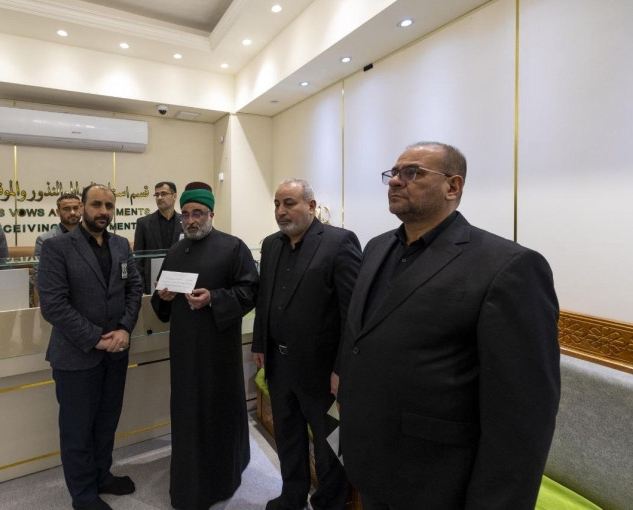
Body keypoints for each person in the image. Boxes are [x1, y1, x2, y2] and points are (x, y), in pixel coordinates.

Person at [336, 142, 560, 510]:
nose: (395, 181)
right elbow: (361, 337)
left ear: (452, 186)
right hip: (371, 463)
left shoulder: (508, 266)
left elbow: (522, 415)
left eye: (412, 172)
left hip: (437, 477)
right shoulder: (376, 248)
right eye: (393, 173)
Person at [252, 179, 361, 510]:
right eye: (277, 204)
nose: (281, 211)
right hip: (279, 364)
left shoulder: (339, 243)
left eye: (289, 203)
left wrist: (342, 368)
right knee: (288, 435)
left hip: (323, 371)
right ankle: (292, 494)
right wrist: (259, 343)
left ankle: (330, 502)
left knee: (330, 443)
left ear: (311, 207)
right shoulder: (271, 245)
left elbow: (353, 314)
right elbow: (264, 299)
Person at [151, 182, 259, 510]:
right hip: (184, 351)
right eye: (185, 214)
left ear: (211, 214)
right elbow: (162, 302)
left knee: (217, 411)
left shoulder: (233, 247)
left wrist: (214, 298)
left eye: (197, 213)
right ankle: (188, 483)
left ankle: (221, 479)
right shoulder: (175, 251)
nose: (191, 220)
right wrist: (163, 296)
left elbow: (250, 292)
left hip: (218, 352)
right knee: (187, 414)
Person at [37, 184, 143, 510]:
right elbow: (53, 305)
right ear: (82, 207)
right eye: (96, 204)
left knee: (106, 422)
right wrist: (96, 338)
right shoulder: (57, 247)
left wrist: (124, 328)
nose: (103, 211)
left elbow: (134, 288)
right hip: (76, 356)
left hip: (116, 354)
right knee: (78, 430)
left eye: (109, 206)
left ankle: (102, 476)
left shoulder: (120, 245)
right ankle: (83, 496)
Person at [133, 181, 183, 293]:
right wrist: (141, 287)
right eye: (157, 195)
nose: (159, 198)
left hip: (179, 280)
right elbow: (138, 259)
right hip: (151, 282)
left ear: (174, 196)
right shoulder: (143, 223)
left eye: (163, 194)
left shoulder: (184, 222)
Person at [34, 192, 82, 270]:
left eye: (76, 208)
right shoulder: (45, 240)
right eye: (67, 209)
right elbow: (39, 272)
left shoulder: (91, 236)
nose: (72, 212)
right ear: (58, 212)